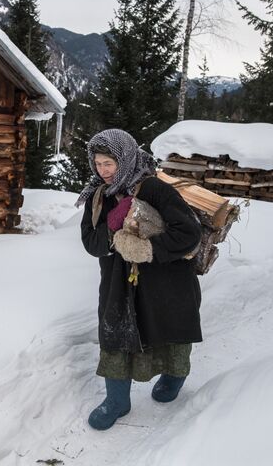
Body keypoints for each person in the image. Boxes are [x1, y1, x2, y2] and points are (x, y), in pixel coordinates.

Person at [76, 129, 203, 431]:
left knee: (170, 332)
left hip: (166, 282)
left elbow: (189, 233)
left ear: (126, 158)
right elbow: (90, 243)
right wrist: (112, 232)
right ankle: (117, 401)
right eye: (98, 163)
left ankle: (173, 378)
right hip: (118, 284)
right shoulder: (98, 196)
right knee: (115, 336)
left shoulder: (155, 189)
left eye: (109, 163)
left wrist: (148, 249)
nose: (102, 170)